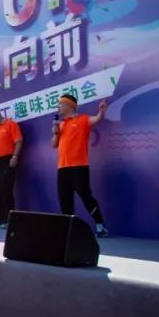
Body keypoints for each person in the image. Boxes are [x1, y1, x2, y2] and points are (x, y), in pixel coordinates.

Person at [53, 94, 109, 237]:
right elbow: (54, 144)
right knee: (64, 200)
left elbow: (96, 119)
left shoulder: (83, 119)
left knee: (86, 197)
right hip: (62, 168)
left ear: (70, 105)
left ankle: (100, 226)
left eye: (60, 104)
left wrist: (101, 111)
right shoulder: (61, 124)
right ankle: (69, 230)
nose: (58, 107)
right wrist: (56, 133)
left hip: (79, 167)